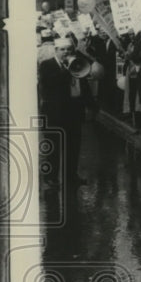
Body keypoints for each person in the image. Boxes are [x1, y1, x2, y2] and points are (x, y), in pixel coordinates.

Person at [38, 37, 95, 186]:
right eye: (62, 49)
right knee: (54, 147)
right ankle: (51, 177)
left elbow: (84, 87)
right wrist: (68, 69)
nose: (66, 52)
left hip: (74, 111)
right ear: (56, 51)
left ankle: (71, 176)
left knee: (73, 146)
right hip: (54, 113)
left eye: (69, 49)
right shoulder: (47, 65)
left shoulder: (78, 64)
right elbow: (49, 83)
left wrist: (92, 106)